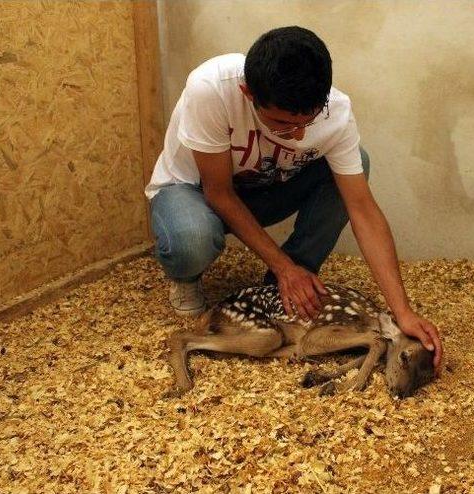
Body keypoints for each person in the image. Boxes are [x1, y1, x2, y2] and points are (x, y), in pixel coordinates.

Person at [146, 26, 443, 370]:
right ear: (247, 93)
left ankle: (287, 283)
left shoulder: (337, 111)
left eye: (309, 121)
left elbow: (362, 208)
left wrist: (402, 311)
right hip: (194, 191)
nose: (300, 135)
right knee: (191, 239)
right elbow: (219, 193)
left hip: (264, 192)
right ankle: (191, 278)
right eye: (283, 125)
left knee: (355, 163)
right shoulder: (212, 88)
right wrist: (282, 266)